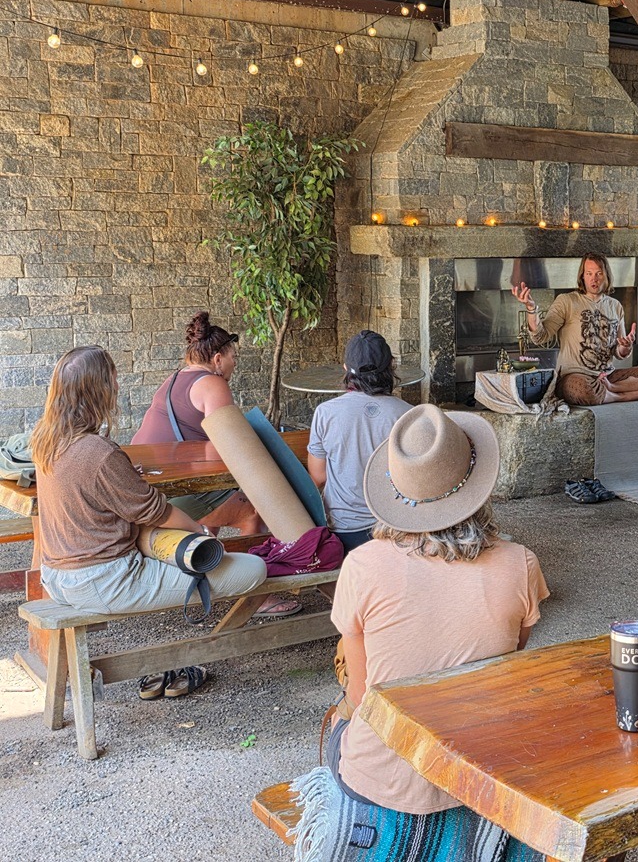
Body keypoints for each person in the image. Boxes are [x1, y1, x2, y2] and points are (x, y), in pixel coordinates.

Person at [290, 404, 548, 861]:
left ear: (398, 489)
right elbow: (510, 655)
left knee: (336, 720)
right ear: (478, 485)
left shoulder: (363, 565)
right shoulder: (520, 563)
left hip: (380, 784)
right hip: (479, 773)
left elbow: (360, 693)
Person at [31, 346, 266, 699]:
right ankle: (185, 659)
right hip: (105, 581)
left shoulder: (46, 440)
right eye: (112, 377)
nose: (117, 384)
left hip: (58, 576)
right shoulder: (98, 452)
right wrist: (201, 534)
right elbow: (160, 513)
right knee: (253, 569)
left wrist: (123, 475)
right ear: (97, 389)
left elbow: (96, 490)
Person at [133, 311, 297, 618]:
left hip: (148, 487)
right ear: (218, 358)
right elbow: (227, 449)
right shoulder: (212, 384)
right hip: (171, 496)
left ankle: (203, 564)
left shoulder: (172, 380)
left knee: (220, 498)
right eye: (234, 356)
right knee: (251, 507)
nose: (235, 363)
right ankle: (257, 596)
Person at [512, 252, 638, 405]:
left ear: (606, 276)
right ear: (582, 276)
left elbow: (620, 353)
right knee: (583, 390)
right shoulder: (567, 301)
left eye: (598, 273)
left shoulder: (615, 306)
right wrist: (531, 309)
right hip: (574, 377)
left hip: (607, 377)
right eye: (589, 273)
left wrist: (625, 346)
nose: (593, 279)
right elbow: (540, 337)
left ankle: (613, 390)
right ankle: (622, 396)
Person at [306, 330, 412, 552]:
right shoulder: (409, 415)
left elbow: (318, 476)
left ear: (346, 368)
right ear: (391, 366)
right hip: (397, 530)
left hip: (345, 533)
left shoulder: (325, 413)